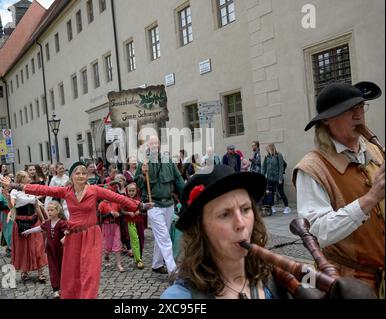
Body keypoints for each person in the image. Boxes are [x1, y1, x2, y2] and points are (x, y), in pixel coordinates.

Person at [0, 161, 153, 299]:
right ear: (71, 176)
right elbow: (44, 189)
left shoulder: (94, 190)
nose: (81, 176)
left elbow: (117, 198)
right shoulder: (66, 191)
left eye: (84, 173)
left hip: (91, 235)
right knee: (72, 271)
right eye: (77, 173)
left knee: (89, 271)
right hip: (73, 236)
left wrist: (139, 205)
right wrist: (15, 185)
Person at [293, 81, 385, 298]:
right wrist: (370, 198)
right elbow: (316, 233)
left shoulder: (376, 152)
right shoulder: (312, 168)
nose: (358, 115)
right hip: (350, 284)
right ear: (326, 120)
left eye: (361, 107)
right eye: (349, 110)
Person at [161, 165, 289, 299]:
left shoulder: (276, 280)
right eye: (225, 214)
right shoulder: (180, 297)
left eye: (245, 209)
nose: (241, 224)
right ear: (200, 229)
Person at [134, 135, 185, 275]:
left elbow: (179, 181)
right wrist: (143, 175)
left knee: (161, 236)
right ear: (148, 146)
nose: (155, 145)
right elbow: (136, 184)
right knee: (164, 237)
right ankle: (173, 270)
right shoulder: (143, 162)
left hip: (168, 204)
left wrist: (186, 196)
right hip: (153, 205)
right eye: (152, 143)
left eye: (157, 143)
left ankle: (156, 265)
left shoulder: (168, 160)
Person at [6, 170, 47, 283]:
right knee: (23, 248)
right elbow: (12, 206)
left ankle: (41, 273)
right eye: (26, 176)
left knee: (38, 247)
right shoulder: (15, 192)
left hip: (34, 221)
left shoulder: (30, 189)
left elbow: (37, 206)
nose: (28, 177)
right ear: (21, 179)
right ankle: (24, 272)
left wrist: (43, 220)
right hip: (22, 223)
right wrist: (8, 198)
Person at [22, 200, 68, 299]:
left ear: (57, 211)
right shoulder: (47, 223)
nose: (50, 212)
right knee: (53, 269)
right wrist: (29, 231)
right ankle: (56, 289)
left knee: (63, 268)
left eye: (52, 210)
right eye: (48, 210)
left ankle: (64, 287)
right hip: (51, 250)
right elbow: (39, 228)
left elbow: (67, 233)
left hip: (61, 251)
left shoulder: (61, 223)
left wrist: (65, 238)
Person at [121, 182, 145, 270]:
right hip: (131, 223)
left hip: (139, 222)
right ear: (127, 191)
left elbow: (143, 209)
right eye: (130, 191)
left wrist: (139, 211)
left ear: (136, 191)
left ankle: (139, 257)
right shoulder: (125, 199)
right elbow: (122, 211)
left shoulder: (139, 199)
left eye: (133, 191)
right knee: (135, 240)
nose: (131, 192)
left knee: (141, 240)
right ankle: (138, 260)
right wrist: (128, 213)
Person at [262, 144, 291, 214]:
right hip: (269, 178)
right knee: (270, 193)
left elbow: (281, 168)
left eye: (267, 149)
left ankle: (287, 207)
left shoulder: (278, 155)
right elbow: (264, 167)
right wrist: (263, 176)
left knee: (281, 192)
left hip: (278, 178)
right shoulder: (267, 156)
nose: (266, 150)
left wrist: (280, 178)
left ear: (271, 148)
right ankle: (272, 207)